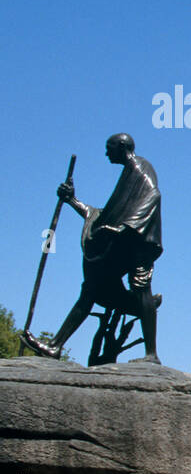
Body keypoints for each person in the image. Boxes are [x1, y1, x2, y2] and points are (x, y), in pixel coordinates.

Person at [23, 134, 163, 363]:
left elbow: (153, 196)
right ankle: (55, 346)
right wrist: (72, 200)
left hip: (137, 241)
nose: (107, 153)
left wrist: (124, 228)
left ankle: (151, 354)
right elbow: (102, 215)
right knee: (91, 289)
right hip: (120, 243)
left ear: (121, 147)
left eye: (109, 148)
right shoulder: (128, 172)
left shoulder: (139, 168)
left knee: (141, 288)